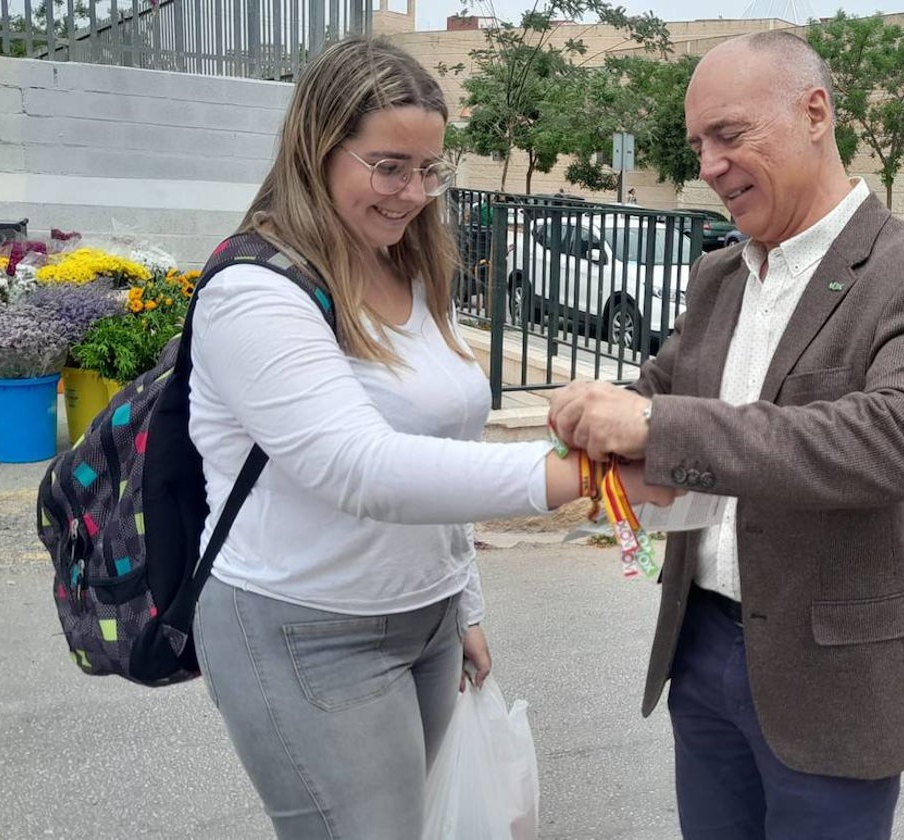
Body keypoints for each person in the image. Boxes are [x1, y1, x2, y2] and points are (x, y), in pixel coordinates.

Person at [187, 37, 672, 838]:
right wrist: (586, 475)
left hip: (427, 617)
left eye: (430, 169)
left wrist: (464, 604)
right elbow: (361, 468)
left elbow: (440, 436)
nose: (413, 192)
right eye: (388, 166)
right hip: (305, 623)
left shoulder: (409, 265)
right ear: (316, 149)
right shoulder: (255, 289)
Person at [548, 31, 904, 840]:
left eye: (730, 134)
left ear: (814, 113)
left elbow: (894, 441)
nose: (709, 165)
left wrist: (652, 421)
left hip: (833, 677)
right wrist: (595, 412)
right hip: (703, 644)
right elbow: (662, 390)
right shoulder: (721, 274)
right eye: (697, 144)